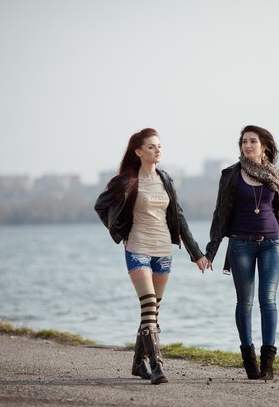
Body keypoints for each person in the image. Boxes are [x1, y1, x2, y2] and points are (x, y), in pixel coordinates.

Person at [94, 128, 208, 385]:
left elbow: (178, 217)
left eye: (159, 146)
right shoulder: (126, 181)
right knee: (148, 305)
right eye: (151, 147)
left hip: (163, 251)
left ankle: (137, 362)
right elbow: (101, 206)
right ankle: (157, 364)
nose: (158, 150)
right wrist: (120, 233)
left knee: (153, 311)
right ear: (138, 152)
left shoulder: (165, 179)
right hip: (138, 248)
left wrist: (196, 253)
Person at [205, 125, 279, 380]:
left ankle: (268, 364)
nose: (247, 146)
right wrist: (211, 251)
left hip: (271, 243)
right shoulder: (230, 175)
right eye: (243, 142)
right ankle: (249, 360)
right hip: (240, 244)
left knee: (268, 300)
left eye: (252, 141)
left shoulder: (275, 175)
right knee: (245, 302)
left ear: (264, 146)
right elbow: (220, 214)